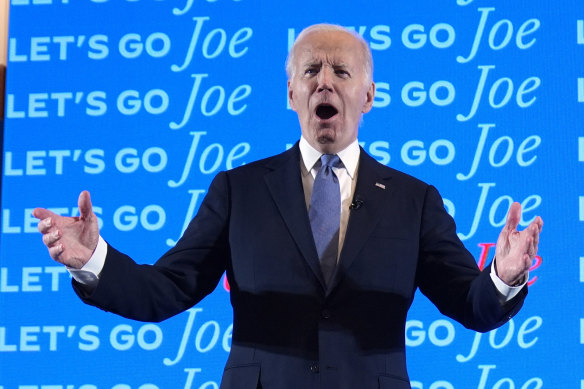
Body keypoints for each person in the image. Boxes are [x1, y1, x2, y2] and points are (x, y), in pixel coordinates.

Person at [33, 24, 543, 389]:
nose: (325, 80)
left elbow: (469, 302)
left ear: (368, 96)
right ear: (291, 93)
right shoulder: (239, 189)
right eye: (310, 70)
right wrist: (94, 259)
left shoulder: (414, 200)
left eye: (341, 71)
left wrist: (501, 274)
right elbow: (166, 290)